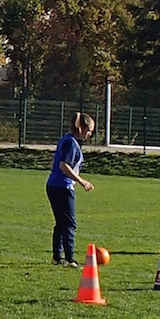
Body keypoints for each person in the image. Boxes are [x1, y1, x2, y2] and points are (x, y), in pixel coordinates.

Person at [46, 112, 95, 268]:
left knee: (61, 223)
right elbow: (63, 165)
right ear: (82, 128)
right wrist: (81, 181)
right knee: (69, 223)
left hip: (54, 185)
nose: (90, 134)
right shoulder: (71, 143)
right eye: (89, 130)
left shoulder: (67, 140)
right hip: (62, 186)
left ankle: (57, 257)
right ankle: (69, 259)